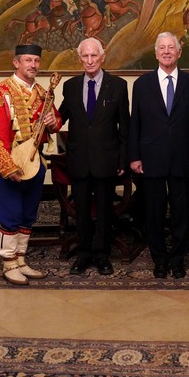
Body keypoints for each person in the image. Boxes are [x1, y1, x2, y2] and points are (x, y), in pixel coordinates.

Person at [0, 43, 60, 285]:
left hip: (35, 160)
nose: (33, 65)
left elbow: (56, 122)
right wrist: (7, 165)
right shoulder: (1, 93)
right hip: (9, 159)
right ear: (16, 62)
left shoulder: (43, 93)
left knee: (28, 212)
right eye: (28, 60)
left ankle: (21, 260)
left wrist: (53, 122)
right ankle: (8, 264)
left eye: (36, 61)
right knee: (11, 213)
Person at [129, 32, 189, 279]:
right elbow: (135, 123)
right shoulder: (142, 85)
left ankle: (178, 259)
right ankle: (159, 260)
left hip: (183, 159)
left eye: (171, 47)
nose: (167, 51)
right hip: (151, 159)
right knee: (154, 213)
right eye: (162, 48)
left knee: (182, 213)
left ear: (179, 52)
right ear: (156, 53)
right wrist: (134, 156)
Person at [59, 37, 130, 276]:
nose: (89, 60)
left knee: (104, 211)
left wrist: (123, 159)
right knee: (81, 211)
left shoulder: (118, 86)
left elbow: (125, 126)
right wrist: (50, 118)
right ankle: (83, 254)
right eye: (85, 56)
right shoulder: (70, 86)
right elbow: (61, 117)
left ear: (102, 57)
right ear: (80, 59)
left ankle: (102, 255)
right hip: (79, 160)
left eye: (93, 55)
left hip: (106, 160)